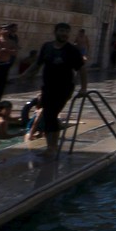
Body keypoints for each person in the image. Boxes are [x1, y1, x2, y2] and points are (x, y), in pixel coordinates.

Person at [35, 21, 87, 160]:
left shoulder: (71, 50)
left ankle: (52, 148)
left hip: (64, 88)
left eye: (66, 32)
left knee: (51, 114)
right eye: (62, 31)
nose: (64, 34)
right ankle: (51, 147)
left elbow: (81, 69)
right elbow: (37, 64)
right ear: (55, 32)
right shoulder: (46, 47)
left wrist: (83, 88)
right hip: (47, 88)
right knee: (47, 116)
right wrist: (24, 76)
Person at [0, 24, 18, 103]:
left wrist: (5, 50)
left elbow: (15, 53)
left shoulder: (11, 41)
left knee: (1, 84)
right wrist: (9, 50)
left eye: (7, 29)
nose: (6, 31)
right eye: (4, 29)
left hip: (5, 64)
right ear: (0, 30)